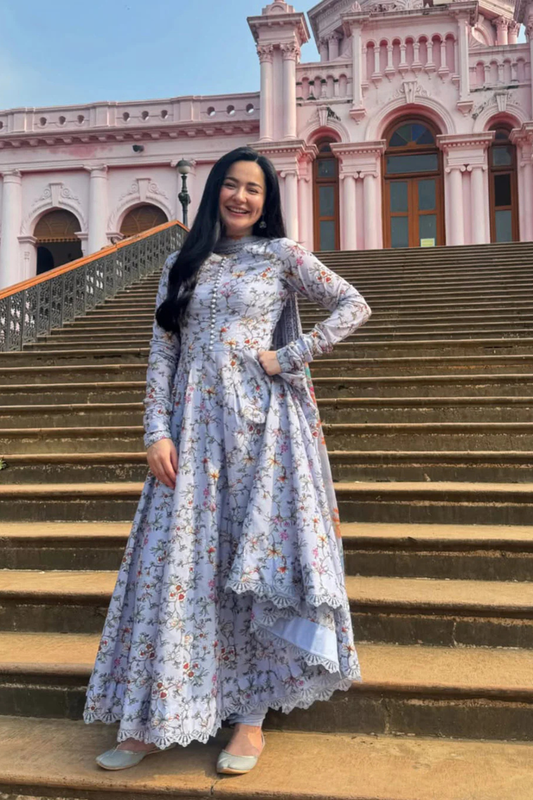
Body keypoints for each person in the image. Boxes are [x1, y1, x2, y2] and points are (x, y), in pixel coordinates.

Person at [83, 146, 372, 775]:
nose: (242, 198)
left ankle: (250, 720)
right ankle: (155, 715)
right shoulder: (180, 265)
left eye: (256, 191)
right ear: (214, 190)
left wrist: (288, 355)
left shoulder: (282, 257)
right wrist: (155, 431)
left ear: (267, 203)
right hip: (190, 436)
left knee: (253, 569)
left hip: (262, 436)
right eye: (233, 186)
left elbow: (353, 305)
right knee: (179, 568)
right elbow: (163, 354)